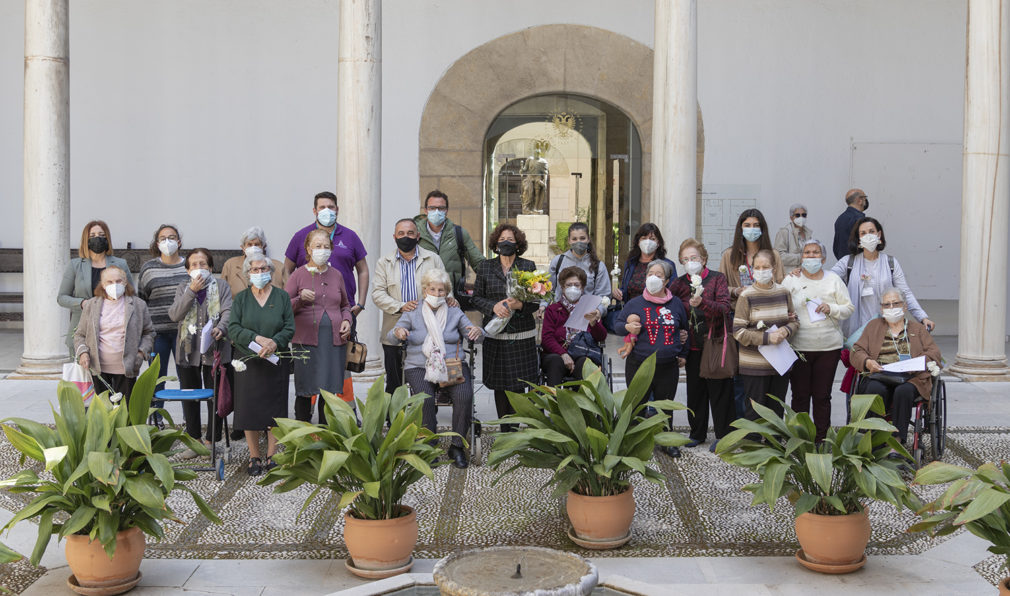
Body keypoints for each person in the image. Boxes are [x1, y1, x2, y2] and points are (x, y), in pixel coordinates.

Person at [390, 269, 483, 468]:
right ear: (425, 291)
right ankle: (428, 444)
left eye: (442, 290)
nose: (437, 293)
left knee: (464, 396)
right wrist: (399, 331)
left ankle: (456, 445)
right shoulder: (413, 311)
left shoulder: (454, 311)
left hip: (451, 364)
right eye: (433, 289)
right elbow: (392, 335)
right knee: (425, 398)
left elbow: (474, 334)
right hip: (419, 365)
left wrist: (477, 331)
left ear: (447, 292)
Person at [228, 254, 295, 476]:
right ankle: (254, 456)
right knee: (249, 409)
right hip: (248, 361)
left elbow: (289, 327)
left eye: (264, 268)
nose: (260, 273)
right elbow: (234, 329)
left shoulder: (282, 297)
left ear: (271, 271)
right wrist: (258, 339)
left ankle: (272, 454)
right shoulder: (241, 299)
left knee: (275, 408)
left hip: (276, 361)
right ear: (248, 274)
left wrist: (275, 342)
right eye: (255, 270)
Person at [781, 239, 854, 442]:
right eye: (807, 253)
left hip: (828, 347)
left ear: (823, 258)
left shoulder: (833, 280)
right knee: (800, 396)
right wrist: (787, 317)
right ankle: (800, 438)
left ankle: (822, 439)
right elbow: (780, 305)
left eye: (815, 253)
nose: (811, 256)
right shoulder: (791, 280)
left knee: (822, 396)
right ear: (801, 257)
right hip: (799, 346)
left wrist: (832, 308)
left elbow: (848, 308)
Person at [615, 260, 688, 458]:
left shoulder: (676, 304)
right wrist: (627, 328)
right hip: (639, 364)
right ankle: (635, 442)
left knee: (666, 405)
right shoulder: (635, 303)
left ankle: (667, 441)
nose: (653, 278)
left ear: (666, 281)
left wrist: (683, 354)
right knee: (637, 405)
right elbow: (618, 325)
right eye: (650, 274)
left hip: (667, 366)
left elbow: (685, 330)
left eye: (659, 275)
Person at [849, 288, 942, 446]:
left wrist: (919, 362)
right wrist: (867, 362)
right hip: (880, 374)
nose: (891, 308)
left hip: (910, 378)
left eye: (895, 303)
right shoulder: (873, 326)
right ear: (881, 308)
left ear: (904, 306)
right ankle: (874, 439)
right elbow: (857, 350)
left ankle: (897, 442)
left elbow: (934, 353)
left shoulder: (917, 329)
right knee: (875, 390)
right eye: (887, 305)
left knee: (903, 391)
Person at [472, 223, 539, 432]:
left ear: (518, 244)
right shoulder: (485, 267)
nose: (506, 243)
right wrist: (492, 306)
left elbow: (537, 300)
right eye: (502, 240)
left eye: (510, 240)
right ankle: (504, 427)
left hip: (521, 334)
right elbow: (476, 298)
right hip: (495, 334)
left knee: (518, 384)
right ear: (495, 244)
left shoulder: (528, 266)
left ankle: (515, 425)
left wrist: (520, 305)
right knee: (500, 383)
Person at [168, 248, 232, 458]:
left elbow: (228, 312)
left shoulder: (221, 286)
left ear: (211, 267)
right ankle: (193, 441)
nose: (199, 268)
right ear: (187, 270)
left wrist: (221, 328)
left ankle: (210, 441)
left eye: (203, 264)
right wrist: (191, 291)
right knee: (190, 396)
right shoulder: (182, 288)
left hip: (215, 351)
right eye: (194, 265)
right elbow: (175, 314)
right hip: (188, 352)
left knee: (215, 396)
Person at [670, 238, 733, 452]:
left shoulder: (717, 279)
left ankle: (723, 435)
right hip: (693, 346)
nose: (690, 262)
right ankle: (697, 432)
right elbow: (673, 310)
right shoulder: (678, 284)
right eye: (686, 259)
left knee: (719, 391)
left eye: (694, 257)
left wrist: (703, 303)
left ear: (704, 259)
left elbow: (725, 308)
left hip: (714, 343)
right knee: (695, 392)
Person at [372, 218, 447, 395]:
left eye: (410, 233)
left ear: (418, 236)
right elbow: (377, 294)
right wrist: (400, 306)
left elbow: (445, 288)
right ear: (394, 237)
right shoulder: (384, 263)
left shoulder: (432, 259)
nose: (406, 237)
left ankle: (426, 420)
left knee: (426, 382)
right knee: (394, 382)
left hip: (426, 332)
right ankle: (395, 420)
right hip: (394, 329)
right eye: (401, 233)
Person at [285, 229, 353, 424]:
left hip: (333, 342)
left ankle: (325, 433)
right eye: (317, 246)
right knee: (305, 389)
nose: (322, 250)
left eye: (326, 246)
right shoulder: (298, 275)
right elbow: (283, 307)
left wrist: (347, 320)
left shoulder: (337, 275)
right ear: (308, 249)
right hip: (306, 341)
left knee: (329, 389)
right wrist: (299, 299)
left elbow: (345, 305)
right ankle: (302, 434)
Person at [830, 216, 933, 339]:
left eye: (871, 231)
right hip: (855, 330)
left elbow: (905, 292)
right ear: (858, 239)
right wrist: (802, 272)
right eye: (863, 233)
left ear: (879, 234)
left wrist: (922, 317)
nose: (868, 235)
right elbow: (827, 279)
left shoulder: (891, 263)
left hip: (885, 326)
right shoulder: (848, 262)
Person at [732, 249, 799, 421]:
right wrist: (767, 339)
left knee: (777, 407)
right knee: (755, 410)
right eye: (757, 267)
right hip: (754, 364)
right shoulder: (746, 296)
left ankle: (773, 443)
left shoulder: (783, 292)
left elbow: (794, 320)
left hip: (779, 363)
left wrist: (786, 330)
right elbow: (738, 331)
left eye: (765, 267)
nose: (761, 271)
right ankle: (754, 444)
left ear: (774, 268)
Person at [284, 191, 369, 319]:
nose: (327, 211)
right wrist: (292, 298)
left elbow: (363, 270)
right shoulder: (300, 236)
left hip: (343, 308)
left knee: (343, 338)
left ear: (337, 210)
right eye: (322, 207)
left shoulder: (350, 236)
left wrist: (361, 303)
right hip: (307, 309)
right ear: (315, 211)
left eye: (331, 207)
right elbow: (286, 269)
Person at [73, 266, 154, 398]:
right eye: (109, 282)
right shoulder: (91, 305)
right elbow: (80, 334)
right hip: (98, 368)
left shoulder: (139, 305)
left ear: (125, 282)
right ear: (103, 284)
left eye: (118, 281)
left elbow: (149, 333)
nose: (114, 285)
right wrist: (83, 353)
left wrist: (140, 353)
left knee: (125, 411)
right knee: (104, 413)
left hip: (127, 366)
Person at [58, 220, 135, 354]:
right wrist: (82, 303)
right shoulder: (75, 265)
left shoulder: (120, 263)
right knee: (82, 374)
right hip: (82, 328)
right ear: (85, 240)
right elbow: (62, 297)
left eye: (101, 234)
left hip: (113, 330)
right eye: (92, 236)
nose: (97, 238)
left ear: (107, 238)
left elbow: (132, 294)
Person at [138, 224, 191, 418]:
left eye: (172, 237)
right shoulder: (148, 268)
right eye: (163, 238)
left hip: (184, 332)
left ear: (179, 241)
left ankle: (189, 421)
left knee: (186, 378)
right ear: (157, 242)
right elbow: (142, 300)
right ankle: (155, 421)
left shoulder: (188, 266)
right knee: (156, 379)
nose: (167, 241)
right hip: (156, 333)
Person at [414, 190, 484, 307]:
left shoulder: (458, 233)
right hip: (422, 300)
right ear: (425, 210)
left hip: (451, 300)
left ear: (446, 211)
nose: (436, 212)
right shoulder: (415, 234)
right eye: (432, 208)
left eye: (441, 208)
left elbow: (478, 262)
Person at [541, 266, 607, 386]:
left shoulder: (590, 308)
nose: (573, 288)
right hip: (557, 354)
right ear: (562, 287)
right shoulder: (553, 310)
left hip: (583, 353)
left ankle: (581, 403)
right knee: (555, 361)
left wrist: (594, 323)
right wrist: (563, 354)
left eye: (576, 285)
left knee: (585, 363)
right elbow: (546, 338)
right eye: (569, 285)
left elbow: (601, 337)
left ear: (582, 288)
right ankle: (552, 401)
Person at [718, 209, 785, 309]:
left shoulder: (774, 254)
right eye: (747, 225)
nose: (752, 229)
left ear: (762, 228)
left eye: (756, 225)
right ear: (741, 228)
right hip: (740, 309)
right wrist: (736, 291)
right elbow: (720, 287)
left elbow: (782, 283)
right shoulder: (729, 255)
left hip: (767, 308)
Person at [548, 223, 611, 316]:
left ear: (588, 239)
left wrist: (598, 311)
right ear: (569, 240)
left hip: (587, 316)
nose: (578, 242)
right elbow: (549, 289)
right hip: (560, 315)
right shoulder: (558, 262)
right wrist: (543, 305)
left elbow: (604, 296)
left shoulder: (598, 266)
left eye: (582, 238)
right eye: (574, 239)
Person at [613, 223, 678, 303]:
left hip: (656, 310)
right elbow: (625, 290)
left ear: (658, 243)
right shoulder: (631, 263)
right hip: (631, 310)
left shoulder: (667, 264)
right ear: (638, 242)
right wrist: (618, 293)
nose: (648, 242)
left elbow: (674, 292)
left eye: (652, 239)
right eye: (644, 238)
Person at [221, 226, 286, 296]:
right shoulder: (230, 265)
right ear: (243, 248)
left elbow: (286, 295)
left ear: (264, 246)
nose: (253, 247)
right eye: (249, 244)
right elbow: (222, 293)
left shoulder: (279, 267)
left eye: (257, 244)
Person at [832, 188, 869, 260]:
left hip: (843, 263)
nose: (866, 201)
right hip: (858, 263)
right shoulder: (860, 220)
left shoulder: (840, 218)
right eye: (865, 198)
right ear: (860, 200)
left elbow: (836, 247)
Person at [773, 204, 813, 268]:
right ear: (791, 218)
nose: (801, 217)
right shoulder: (784, 232)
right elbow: (778, 256)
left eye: (804, 215)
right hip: (790, 274)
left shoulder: (808, 233)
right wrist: (801, 257)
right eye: (797, 215)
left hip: (805, 272)